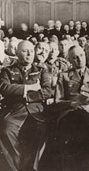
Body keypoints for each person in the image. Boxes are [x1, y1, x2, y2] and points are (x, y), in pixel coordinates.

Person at [0, 40, 52, 171]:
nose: (29, 54)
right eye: (25, 51)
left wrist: (26, 95)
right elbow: (4, 87)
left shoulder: (41, 70)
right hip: (14, 112)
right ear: (17, 53)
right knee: (5, 131)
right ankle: (18, 167)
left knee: (40, 131)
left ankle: (30, 168)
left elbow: (47, 91)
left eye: (32, 51)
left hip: (35, 112)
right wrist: (29, 88)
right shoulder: (7, 71)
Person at [54, 45, 89, 170]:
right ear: (70, 60)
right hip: (69, 114)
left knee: (84, 120)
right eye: (75, 57)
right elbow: (58, 101)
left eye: (82, 55)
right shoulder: (64, 76)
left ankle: (81, 163)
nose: (80, 59)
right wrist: (72, 104)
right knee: (80, 118)